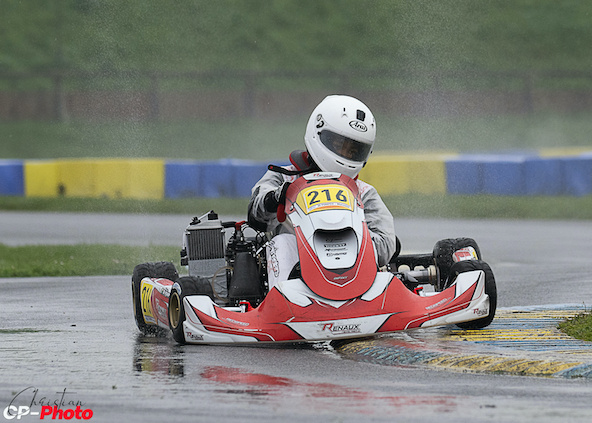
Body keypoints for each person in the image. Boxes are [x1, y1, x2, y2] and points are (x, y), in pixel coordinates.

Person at [248, 95, 397, 290]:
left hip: (354, 274)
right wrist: (276, 198)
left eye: (354, 151)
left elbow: (386, 244)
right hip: (296, 272)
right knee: (283, 242)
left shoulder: (364, 193)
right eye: (339, 145)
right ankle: (284, 303)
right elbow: (256, 216)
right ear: (318, 132)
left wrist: (351, 239)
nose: (345, 155)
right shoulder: (283, 179)